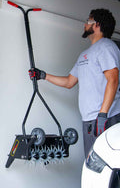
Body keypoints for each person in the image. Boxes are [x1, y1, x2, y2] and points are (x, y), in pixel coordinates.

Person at [29, 9, 120, 158]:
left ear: (96, 25)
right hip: (90, 121)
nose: (85, 24)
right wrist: (43, 75)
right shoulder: (85, 54)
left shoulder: (107, 47)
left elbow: (113, 79)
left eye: (88, 21)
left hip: (107, 118)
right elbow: (69, 82)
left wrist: (102, 115)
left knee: (109, 164)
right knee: (93, 165)